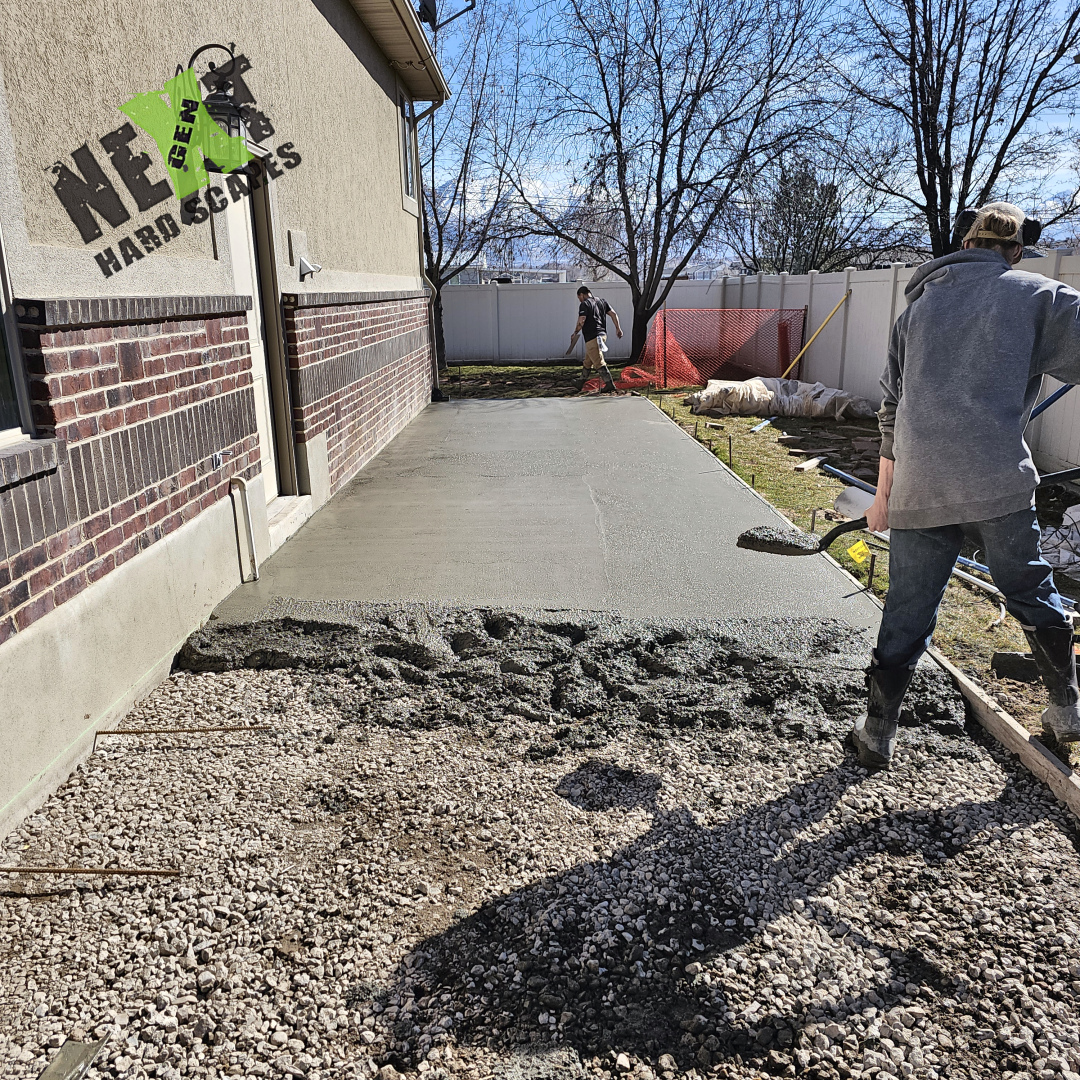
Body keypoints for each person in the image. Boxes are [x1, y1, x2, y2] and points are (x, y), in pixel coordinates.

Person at [854, 201, 1080, 770]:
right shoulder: (1037, 295)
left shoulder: (916, 311)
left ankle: (878, 732)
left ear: (966, 244)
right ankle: (1066, 710)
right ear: (1015, 248)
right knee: (1031, 591)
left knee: (907, 608)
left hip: (919, 488)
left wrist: (884, 495)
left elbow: (891, 408)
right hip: (996, 482)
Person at [568, 285, 623, 391]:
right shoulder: (602, 301)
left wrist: (575, 332)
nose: (580, 300)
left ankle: (609, 384)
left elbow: (581, 321)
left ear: (582, 294)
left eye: (579, 298)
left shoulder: (584, 304)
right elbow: (613, 314)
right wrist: (618, 328)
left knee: (598, 362)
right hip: (602, 336)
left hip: (592, 337)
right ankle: (580, 382)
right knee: (588, 361)